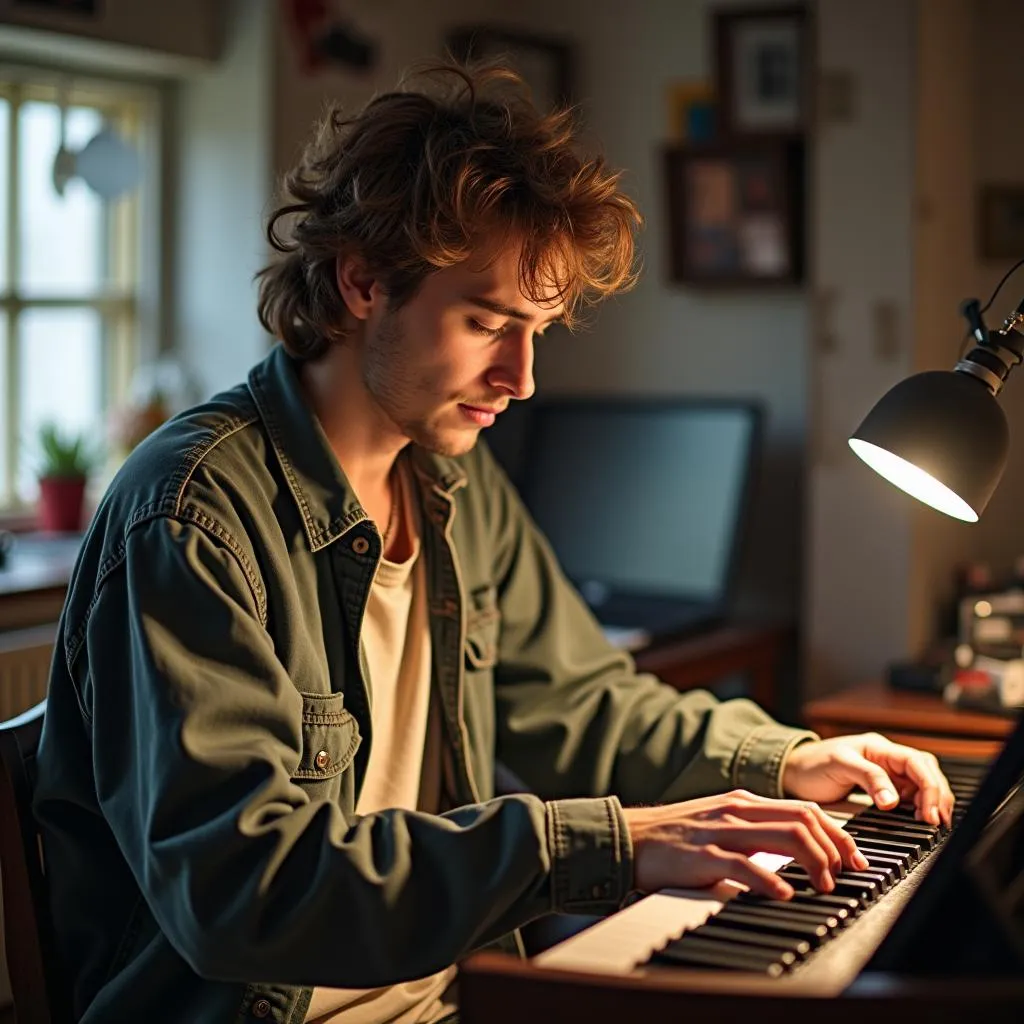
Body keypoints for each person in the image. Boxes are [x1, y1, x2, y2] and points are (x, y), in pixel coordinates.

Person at [34, 61, 955, 1024]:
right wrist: (616, 843)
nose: (520, 378)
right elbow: (247, 891)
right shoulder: (191, 516)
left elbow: (585, 703)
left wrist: (782, 760)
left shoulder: (456, 489)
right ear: (360, 282)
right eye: (486, 323)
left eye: (539, 331)